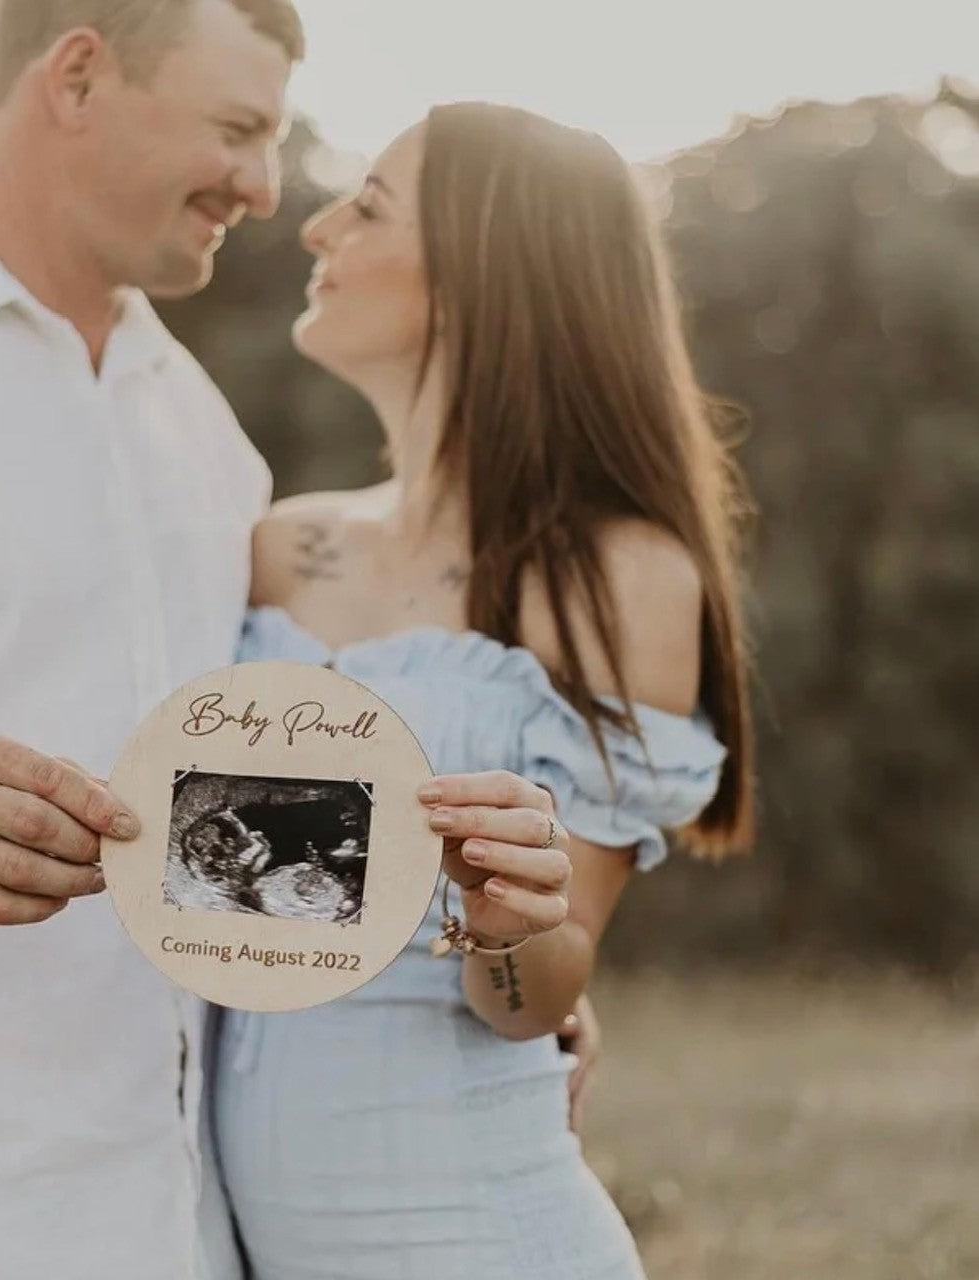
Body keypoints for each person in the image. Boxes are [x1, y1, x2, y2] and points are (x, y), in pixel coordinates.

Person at [0, 6, 596, 1276]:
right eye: (236, 129)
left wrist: (521, 953)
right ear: (82, 75)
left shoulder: (212, 451)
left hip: (182, 1220)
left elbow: (242, 833)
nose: (266, 189)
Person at [211, 103, 755, 1278]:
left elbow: (534, 997)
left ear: (476, 274)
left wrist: (511, 926)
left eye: (366, 206)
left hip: (463, 1230)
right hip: (233, 1233)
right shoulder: (273, 544)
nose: (315, 228)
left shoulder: (618, 579)